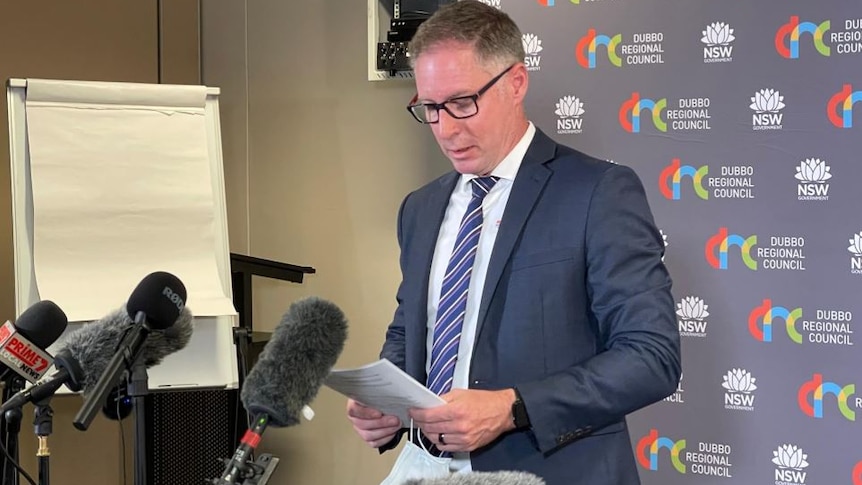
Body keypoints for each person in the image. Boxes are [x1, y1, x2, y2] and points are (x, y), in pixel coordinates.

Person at [346, 1, 681, 483]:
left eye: (463, 103)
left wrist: (511, 408)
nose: (446, 128)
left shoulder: (598, 193)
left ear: (516, 82)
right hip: (423, 467)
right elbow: (409, 331)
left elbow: (652, 356)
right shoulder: (420, 208)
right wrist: (389, 403)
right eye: (430, 108)